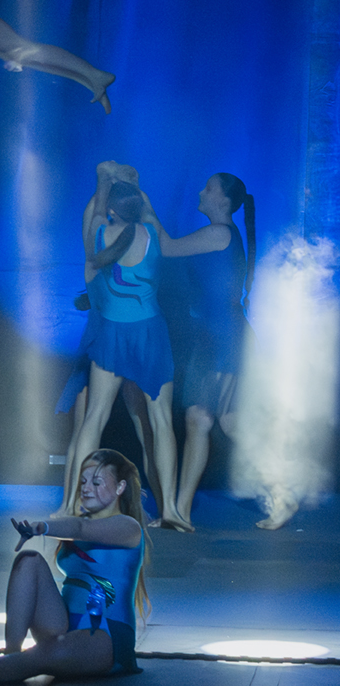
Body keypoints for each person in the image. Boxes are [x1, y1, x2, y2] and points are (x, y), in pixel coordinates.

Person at [0, 449, 148, 684]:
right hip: (63, 625)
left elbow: (81, 529)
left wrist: (43, 527)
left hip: (106, 633)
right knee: (29, 560)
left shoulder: (128, 527)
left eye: (96, 482)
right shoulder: (78, 523)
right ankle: (10, 654)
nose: (86, 488)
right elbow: (79, 527)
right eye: (83, 481)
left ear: (120, 487)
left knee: (46, 654)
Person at [65, 166, 188, 530]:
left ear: (112, 210)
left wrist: (105, 180)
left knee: (94, 418)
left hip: (112, 335)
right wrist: (136, 188)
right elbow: (143, 209)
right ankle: (170, 509)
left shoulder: (98, 232)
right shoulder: (152, 233)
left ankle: (74, 503)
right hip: (150, 334)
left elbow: (95, 210)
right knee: (161, 421)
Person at [147, 173, 255, 528]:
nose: (201, 192)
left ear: (223, 201)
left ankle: (280, 484)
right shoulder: (220, 234)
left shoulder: (220, 233)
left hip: (223, 337)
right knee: (210, 420)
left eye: (208, 188)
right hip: (212, 337)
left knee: (214, 420)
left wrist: (144, 204)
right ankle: (180, 512)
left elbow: (166, 246)